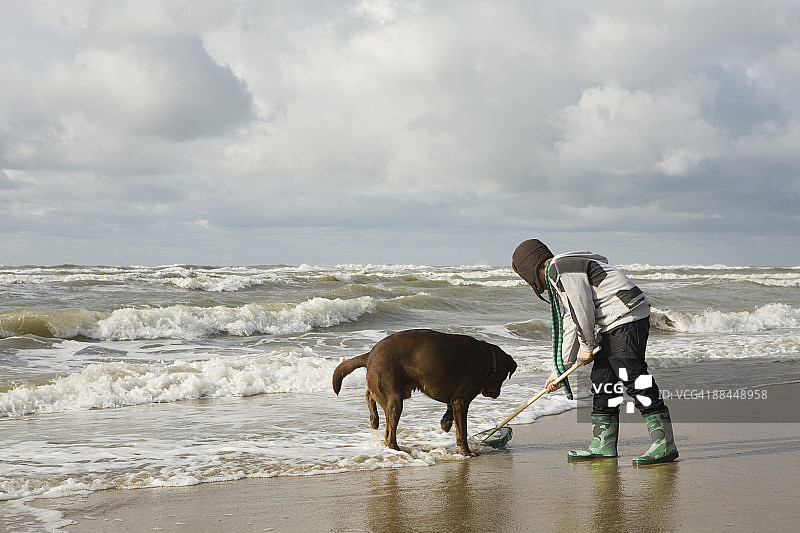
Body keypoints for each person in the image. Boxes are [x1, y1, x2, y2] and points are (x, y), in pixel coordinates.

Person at [511, 239, 678, 465]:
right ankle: (603, 443)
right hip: (612, 322)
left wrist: (587, 347)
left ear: (530, 267)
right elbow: (570, 319)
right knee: (602, 379)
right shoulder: (560, 272)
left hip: (626, 316)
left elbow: (582, 309)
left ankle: (664, 443)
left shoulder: (560, 268)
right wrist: (559, 369)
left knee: (633, 377)